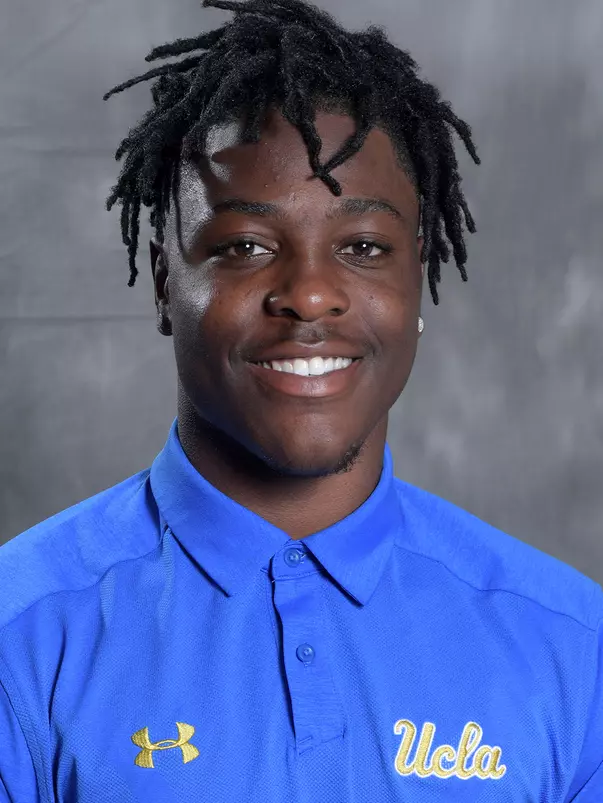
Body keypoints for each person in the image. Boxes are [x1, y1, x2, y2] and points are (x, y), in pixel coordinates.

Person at [0, 0, 601, 800]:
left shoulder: (570, 644)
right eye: (245, 246)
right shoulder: (23, 636)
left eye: (362, 247)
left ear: (413, 276)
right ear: (161, 281)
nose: (310, 294)